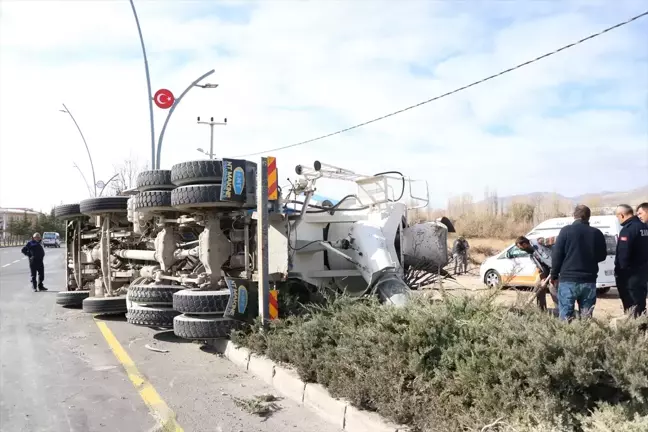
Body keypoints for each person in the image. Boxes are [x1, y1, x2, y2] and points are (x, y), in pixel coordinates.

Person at [550, 205, 607, 321]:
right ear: (588, 217)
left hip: (568, 280)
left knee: (565, 316)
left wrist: (554, 275)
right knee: (586, 317)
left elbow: (557, 255)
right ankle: (585, 338)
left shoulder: (566, 231)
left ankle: (566, 338)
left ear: (574, 216)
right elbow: (602, 256)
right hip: (589, 280)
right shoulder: (596, 233)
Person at [614, 204, 648, 318]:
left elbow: (623, 256)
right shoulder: (644, 227)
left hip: (630, 278)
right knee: (641, 306)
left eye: (617, 216)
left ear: (622, 215)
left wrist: (619, 274)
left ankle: (634, 333)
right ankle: (642, 332)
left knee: (631, 309)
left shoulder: (628, 229)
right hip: (642, 274)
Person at [515, 236, 558, 312]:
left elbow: (558, 239)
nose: (521, 250)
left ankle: (560, 310)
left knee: (552, 288)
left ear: (525, 244)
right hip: (547, 271)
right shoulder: (531, 254)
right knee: (539, 286)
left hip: (557, 268)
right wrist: (542, 278)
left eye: (521, 248)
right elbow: (539, 267)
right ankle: (541, 310)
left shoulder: (539, 241)